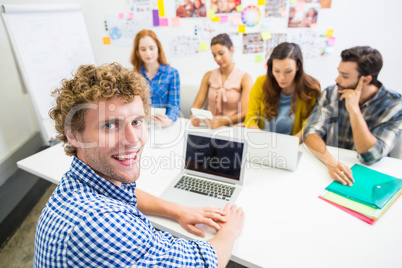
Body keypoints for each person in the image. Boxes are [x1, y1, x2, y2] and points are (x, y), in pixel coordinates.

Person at [34, 63, 245, 267]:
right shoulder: (99, 224)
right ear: (74, 136)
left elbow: (121, 193)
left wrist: (177, 210)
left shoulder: (83, 181)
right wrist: (229, 232)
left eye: (136, 121)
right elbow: (204, 262)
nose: (133, 139)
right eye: (109, 125)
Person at [304, 46, 402, 186]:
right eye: (339, 73)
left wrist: (354, 111)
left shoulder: (395, 106)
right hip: (328, 167)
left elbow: (371, 156)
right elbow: (311, 132)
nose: (337, 79)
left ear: (366, 80)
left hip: (368, 177)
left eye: (345, 76)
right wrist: (331, 163)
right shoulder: (331, 93)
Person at [245, 42, 321, 142]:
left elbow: (309, 127)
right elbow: (250, 118)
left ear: (298, 66)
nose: (281, 78)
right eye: (276, 71)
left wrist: (289, 145)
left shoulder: (311, 89)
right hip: (263, 143)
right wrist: (261, 140)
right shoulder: (261, 83)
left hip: (294, 145)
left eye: (288, 71)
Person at [191, 33, 253, 129]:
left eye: (221, 53)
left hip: (234, 128)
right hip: (210, 127)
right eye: (214, 55)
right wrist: (194, 116)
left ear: (231, 50)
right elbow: (195, 107)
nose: (217, 58)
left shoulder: (245, 78)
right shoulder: (208, 76)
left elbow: (246, 113)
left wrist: (223, 122)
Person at [131, 30, 179, 128]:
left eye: (151, 48)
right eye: (143, 49)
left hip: (163, 124)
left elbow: (174, 105)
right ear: (138, 52)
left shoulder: (172, 73)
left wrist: (169, 120)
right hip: (141, 124)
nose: (148, 53)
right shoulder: (134, 75)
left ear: (158, 48)